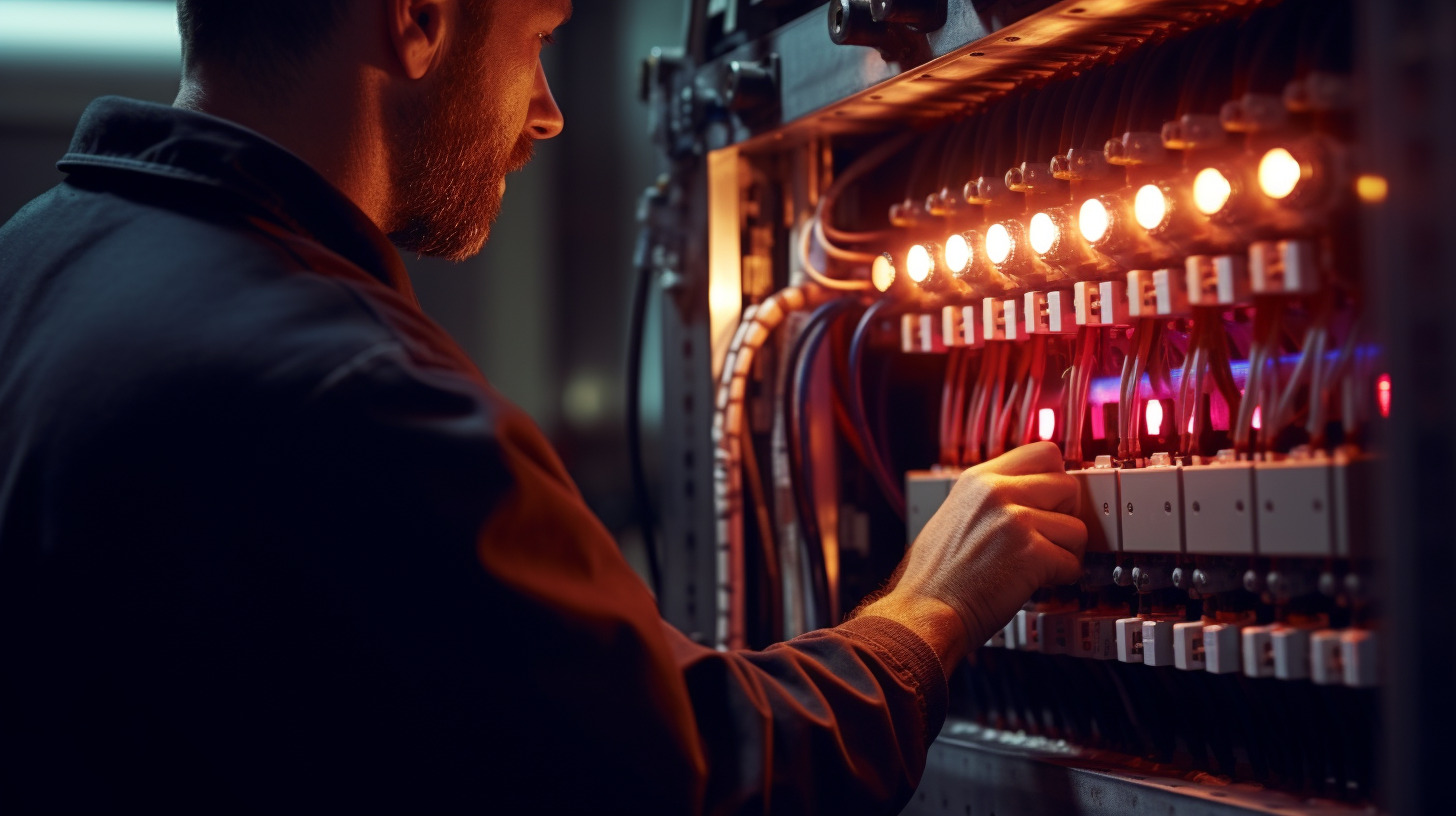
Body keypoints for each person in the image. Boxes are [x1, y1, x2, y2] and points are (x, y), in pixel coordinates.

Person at [0, 0, 1087, 812]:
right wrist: (927, 613)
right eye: (541, 38)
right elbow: (694, 784)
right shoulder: (354, 399)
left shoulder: (30, 264)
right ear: (420, 20)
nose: (551, 114)